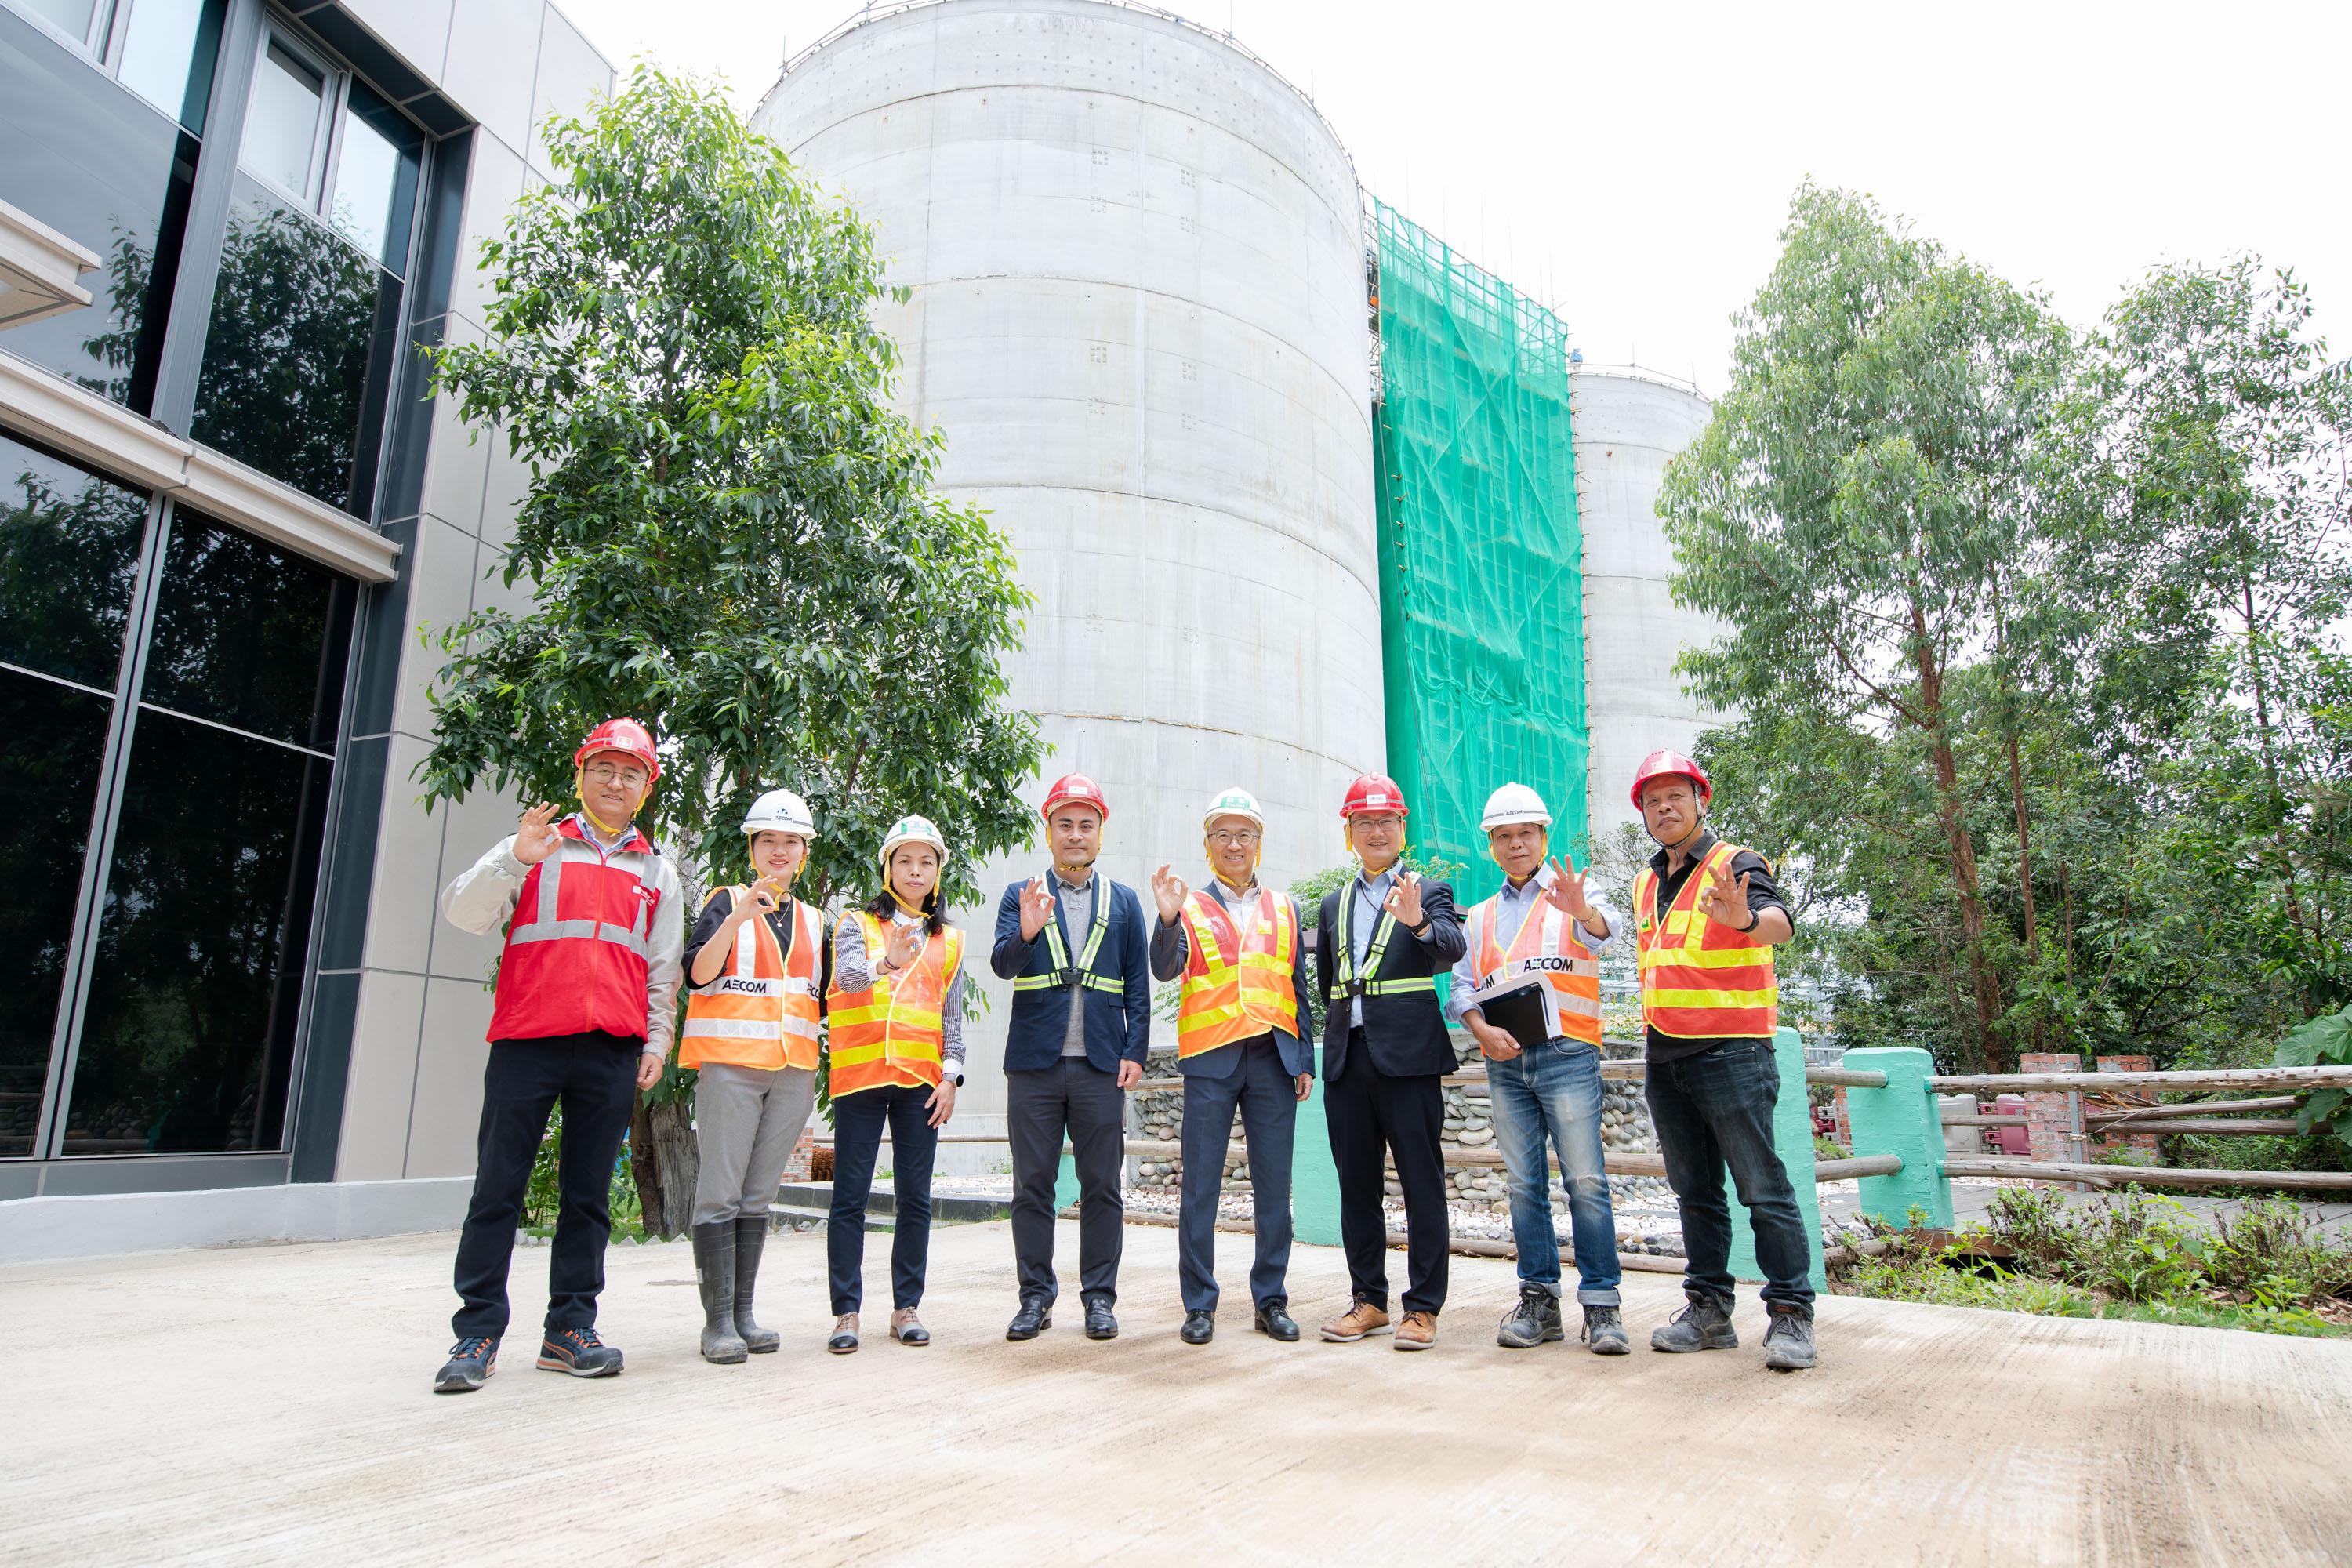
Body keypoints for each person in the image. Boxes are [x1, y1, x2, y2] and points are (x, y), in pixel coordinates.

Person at [432, 717, 683, 1394]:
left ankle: (570, 1328)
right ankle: (476, 1332)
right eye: (604, 768)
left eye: (632, 773)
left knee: (588, 1195)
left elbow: (663, 969)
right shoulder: (537, 847)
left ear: (645, 790)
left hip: (611, 1048)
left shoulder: (657, 870)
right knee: (497, 1188)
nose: (616, 781)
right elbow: (462, 913)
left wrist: (657, 1040)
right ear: (581, 774)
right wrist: (514, 856)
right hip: (528, 1039)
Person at [1628, 750, 1814, 1372]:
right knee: (1695, 1193)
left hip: (1732, 1051)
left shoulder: (1735, 863)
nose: (1664, 807)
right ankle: (1708, 1310)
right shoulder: (1645, 882)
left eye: (1676, 795)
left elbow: (1779, 924)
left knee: (1762, 1187)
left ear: (1699, 800)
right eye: (1653, 800)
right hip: (1666, 1055)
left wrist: (1746, 919)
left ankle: (1790, 1314)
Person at [1449, 782, 1628, 1355]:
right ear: (1492, 848)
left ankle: (1602, 1306)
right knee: (1525, 1186)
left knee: (1586, 1181)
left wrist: (1584, 911)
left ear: (1543, 837)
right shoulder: (1478, 917)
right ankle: (1539, 1301)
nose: (1515, 843)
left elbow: (1607, 933)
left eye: (1526, 833)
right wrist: (1479, 1030)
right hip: (1506, 1063)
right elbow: (1462, 989)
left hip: (1569, 1055)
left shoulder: (1574, 891)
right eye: (1504, 836)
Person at [1148, 786, 1315, 1346]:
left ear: (1259, 842)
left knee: (1274, 1187)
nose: (1234, 843)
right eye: (1224, 833)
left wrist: (1304, 1057)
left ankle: (1271, 1300)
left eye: (1245, 833)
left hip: (1273, 1058)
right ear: (1208, 844)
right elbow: (1166, 968)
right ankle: (1199, 1305)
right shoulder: (1189, 906)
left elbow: (1298, 987)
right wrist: (1168, 919)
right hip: (1211, 1060)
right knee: (1199, 1189)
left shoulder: (1284, 906)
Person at [989, 773, 1151, 1342]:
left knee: (1102, 1184)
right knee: (1032, 1184)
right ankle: (1035, 1298)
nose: (1075, 835)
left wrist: (1135, 1051)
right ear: (1050, 830)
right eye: (1065, 825)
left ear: (1100, 832)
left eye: (1086, 825)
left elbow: (1138, 984)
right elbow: (1004, 967)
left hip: (1100, 1065)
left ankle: (1100, 1299)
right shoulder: (1021, 894)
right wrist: (1027, 932)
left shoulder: (1124, 901)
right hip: (1034, 1064)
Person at [1313, 774, 1465, 1352]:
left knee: (1422, 1183)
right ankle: (1369, 1300)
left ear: (1403, 828)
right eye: (1364, 822)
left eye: (1386, 821)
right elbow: (1329, 982)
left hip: (1409, 1060)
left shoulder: (1428, 890)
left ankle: (1423, 1307)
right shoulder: (1332, 903)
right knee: (1356, 1186)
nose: (1376, 831)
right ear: (1350, 831)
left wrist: (1418, 922)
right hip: (1349, 1061)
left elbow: (1450, 947)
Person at [677, 789, 829, 1363]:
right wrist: (738, 917)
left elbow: (829, 996)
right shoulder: (726, 901)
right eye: (769, 840)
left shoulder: (814, 921)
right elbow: (697, 973)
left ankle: (742, 1313)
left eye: (791, 841)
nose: (780, 850)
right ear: (752, 847)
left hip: (791, 1072)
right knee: (720, 1191)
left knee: (758, 1195)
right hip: (731, 1068)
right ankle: (716, 1323)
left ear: (804, 852)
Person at [822, 815, 967, 1353]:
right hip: (861, 1078)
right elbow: (848, 978)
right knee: (849, 1198)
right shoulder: (855, 924)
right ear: (887, 866)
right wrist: (890, 960)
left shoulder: (949, 941)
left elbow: (951, 1021)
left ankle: (906, 1307)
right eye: (904, 860)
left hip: (920, 1083)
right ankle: (846, 1313)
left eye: (925, 861)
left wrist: (951, 1076)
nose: (915, 870)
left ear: (936, 873)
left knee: (915, 1199)